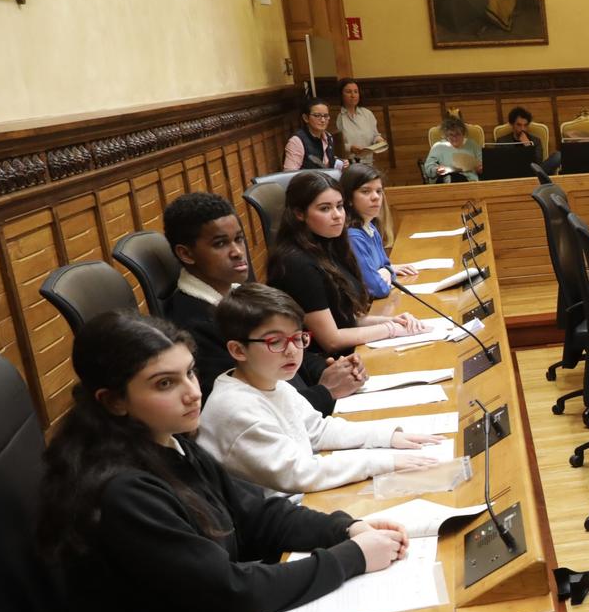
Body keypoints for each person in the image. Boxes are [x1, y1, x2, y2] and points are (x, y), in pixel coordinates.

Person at [38, 312, 407, 612]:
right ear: (113, 401)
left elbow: (257, 514)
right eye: (164, 383)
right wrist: (350, 560)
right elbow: (231, 593)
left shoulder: (166, 441)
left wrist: (344, 529)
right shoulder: (122, 490)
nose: (192, 390)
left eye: (190, 372)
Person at [200, 285, 442, 493]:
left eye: (297, 338)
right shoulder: (235, 409)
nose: (292, 350)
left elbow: (316, 429)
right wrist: (382, 462)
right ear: (238, 350)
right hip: (283, 523)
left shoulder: (271, 382)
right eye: (275, 341)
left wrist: (387, 437)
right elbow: (300, 473)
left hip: (303, 499)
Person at [162, 191, 361, 412]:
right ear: (187, 254)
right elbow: (245, 409)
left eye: (238, 239)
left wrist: (328, 369)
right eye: (220, 244)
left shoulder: (242, 293)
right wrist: (326, 391)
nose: (238, 252)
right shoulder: (193, 326)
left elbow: (287, 348)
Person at [264, 171, 421, 354]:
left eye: (339, 206)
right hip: (326, 364)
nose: (338, 215)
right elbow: (331, 340)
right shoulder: (296, 264)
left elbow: (345, 319)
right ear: (299, 214)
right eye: (325, 208)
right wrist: (391, 330)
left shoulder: (330, 245)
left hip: (351, 354)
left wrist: (390, 321)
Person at [342, 164, 418, 301]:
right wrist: (386, 272)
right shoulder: (353, 236)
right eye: (366, 191)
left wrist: (386, 271)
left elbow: (386, 265)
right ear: (349, 198)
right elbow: (377, 288)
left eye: (378, 191)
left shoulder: (370, 226)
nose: (376, 197)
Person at [334, 79, 388, 166]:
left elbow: (375, 135)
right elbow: (334, 143)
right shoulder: (337, 116)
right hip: (348, 164)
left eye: (356, 92)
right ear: (341, 95)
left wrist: (379, 140)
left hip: (368, 163)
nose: (353, 95)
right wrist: (350, 148)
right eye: (348, 92)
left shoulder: (367, 113)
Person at [281, 99, 343, 174]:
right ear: (305, 118)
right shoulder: (296, 141)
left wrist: (338, 162)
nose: (323, 120)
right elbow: (289, 176)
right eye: (317, 116)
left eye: (326, 116)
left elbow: (326, 162)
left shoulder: (328, 136)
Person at [422, 115, 482, 184]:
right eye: (451, 135)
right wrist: (436, 170)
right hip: (449, 182)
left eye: (457, 134)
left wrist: (479, 168)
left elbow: (484, 165)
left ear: (463, 133)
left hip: (472, 182)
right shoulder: (438, 146)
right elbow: (428, 168)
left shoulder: (472, 145)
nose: (454, 138)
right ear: (446, 135)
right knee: (453, 177)